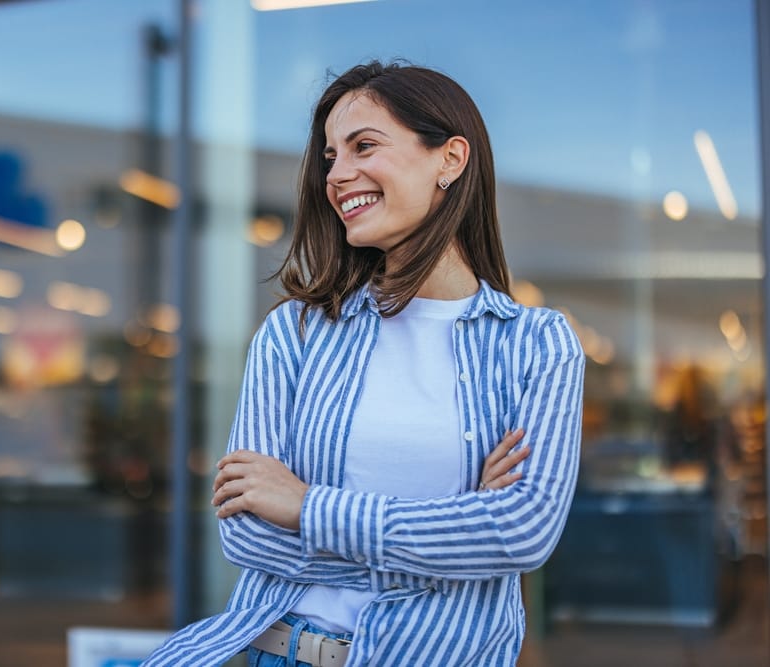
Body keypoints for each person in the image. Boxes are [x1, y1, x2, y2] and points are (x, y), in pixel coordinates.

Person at [144, 60, 585, 666]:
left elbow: (521, 532)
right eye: (330, 156)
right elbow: (245, 530)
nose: (339, 174)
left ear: (450, 160)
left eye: (363, 145)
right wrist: (457, 530)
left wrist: (305, 506)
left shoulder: (537, 344)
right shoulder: (295, 333)